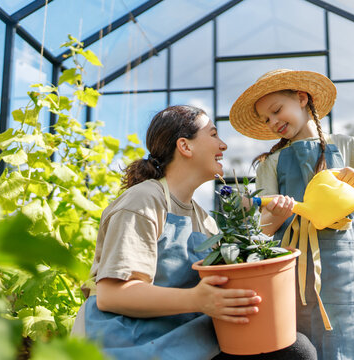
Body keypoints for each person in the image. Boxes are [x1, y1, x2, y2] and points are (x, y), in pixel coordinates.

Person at [71, 105, 317, 360]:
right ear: (185, 147)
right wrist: (197, 300)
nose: (223, 145)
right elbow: (112, 295)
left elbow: (232, 272)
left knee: (294, 348)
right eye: (212, 135)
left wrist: (270, 221)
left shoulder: (202, 219)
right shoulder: (144, 201)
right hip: (126, 343)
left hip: (179, 337)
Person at [229, 69, 354, 360]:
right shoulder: (271, 162)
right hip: (291, 269)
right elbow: (261, 232)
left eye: (277, 110)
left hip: (344, 269)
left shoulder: (348, 146)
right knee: (303, 344)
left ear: (302, 98)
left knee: (350, 340)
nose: (274, 122)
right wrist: (276, 215)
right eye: (267, 119)